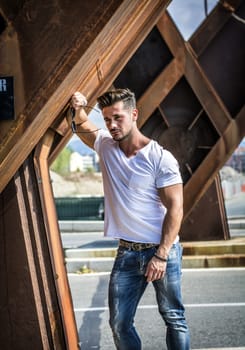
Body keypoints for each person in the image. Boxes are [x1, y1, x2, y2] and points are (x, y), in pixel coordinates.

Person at [70, 88, 190, 350]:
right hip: (127, 252)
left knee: (173, 318)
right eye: (107, 120)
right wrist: (79, 107)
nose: (112, 125)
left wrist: (161, 254)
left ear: (134, 114)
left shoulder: (160, 158)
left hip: (162, 251)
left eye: (118, 118)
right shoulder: (105, 144)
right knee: (119, 323)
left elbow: (176, 209)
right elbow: (81, 123)